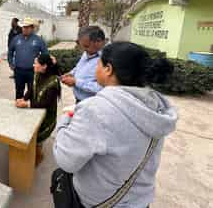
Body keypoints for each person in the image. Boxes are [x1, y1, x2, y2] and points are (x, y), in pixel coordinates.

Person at [53, 42, 177, 208]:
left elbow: (66, 160)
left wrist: (65, 121)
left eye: (98, 63)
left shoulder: (95, 110)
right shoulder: (156, 106)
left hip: (98, 202)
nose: (95, 67)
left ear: (108, 69)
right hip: (140, 201)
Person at [16, 54, 61, 166]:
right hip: (36, 111)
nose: (33, 65)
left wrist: (27, 105)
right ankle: (35, 150)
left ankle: (38, 156)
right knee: (31, 134)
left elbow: (45, 104)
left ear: (44, 66)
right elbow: (31, 89)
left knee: (38, 139)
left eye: (36, 63)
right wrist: (23, 98)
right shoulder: (37, 74)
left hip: (46, 117)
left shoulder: (53, 82)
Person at [61, 26, 105, 104]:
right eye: (82, 46)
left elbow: (102, 88)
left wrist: (76, 82)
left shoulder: (106, 60)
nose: (84, 50)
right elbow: (79, 66)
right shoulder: (88, 52)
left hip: (92, 103)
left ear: (99, 42)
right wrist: (71, 73)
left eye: (86, 46)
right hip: (79, 100)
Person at [8, 17, 48, 99]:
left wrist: (41, 66)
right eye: (23, 27)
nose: (25, 29)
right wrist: (11, 63)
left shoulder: (38, 40)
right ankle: (18, 107)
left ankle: (31, 108)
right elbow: (10, 52)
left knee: (32, 91)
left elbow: (45, 54)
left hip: (33, 72)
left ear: (32, 28)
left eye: (27, 27)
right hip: (18, 71)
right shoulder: (16, 39)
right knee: (19, 91)